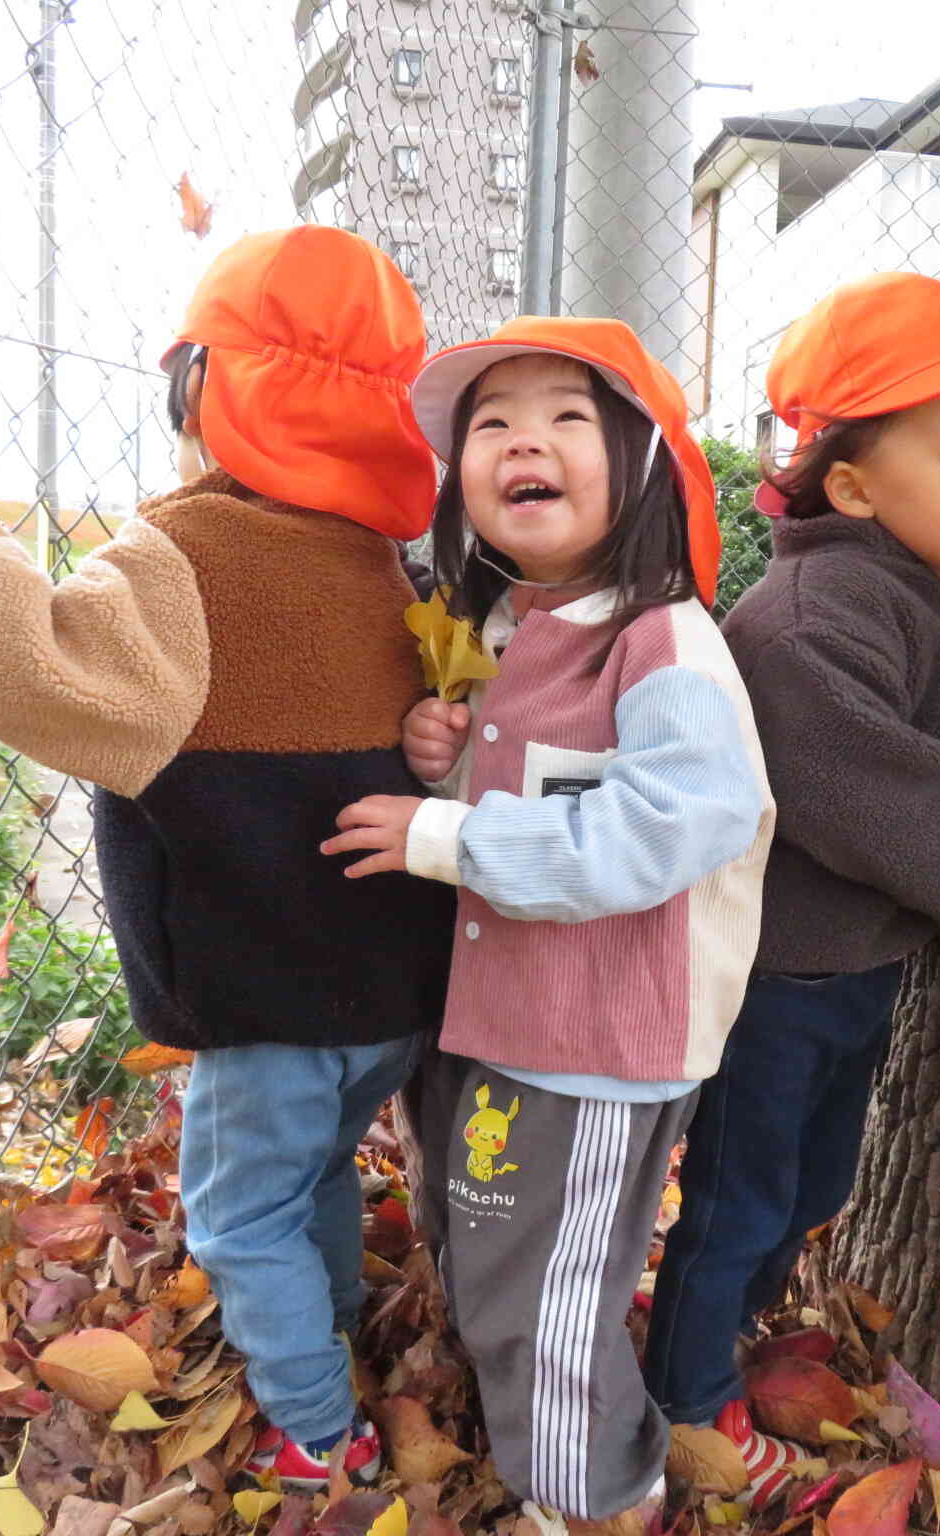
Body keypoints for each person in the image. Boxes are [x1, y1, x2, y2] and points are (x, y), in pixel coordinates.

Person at [0, 226, 455, 1488]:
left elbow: (37, 656)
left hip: (263, 993)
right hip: (390, 993)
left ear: (207, 393)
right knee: (320, 1167)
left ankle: (312, 1429)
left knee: (239, 1213)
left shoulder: (195, 562)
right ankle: (328, 1327)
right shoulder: (381, 565)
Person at [319, 316, 774, 1536]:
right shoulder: (511, 627)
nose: (525, 439)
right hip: (503, 1021)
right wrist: (452, 760)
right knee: (493, 1261)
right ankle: (554, 1456)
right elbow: (542, 787)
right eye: (492, 425)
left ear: (641, 469)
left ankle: (598, 1497)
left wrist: (447, 834)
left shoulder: (661, 640)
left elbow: (677, 818)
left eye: (568, 417)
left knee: (551, 1296)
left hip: (593, 1043)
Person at [641, 273, 940, 1508]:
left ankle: (738, 1339)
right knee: (738, 1188)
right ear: (855, 486)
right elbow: (870, 786)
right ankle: (682, 1403)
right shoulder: (814, 615)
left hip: (844, 971)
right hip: (776, 979)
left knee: (812, 1182)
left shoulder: (902, 588)